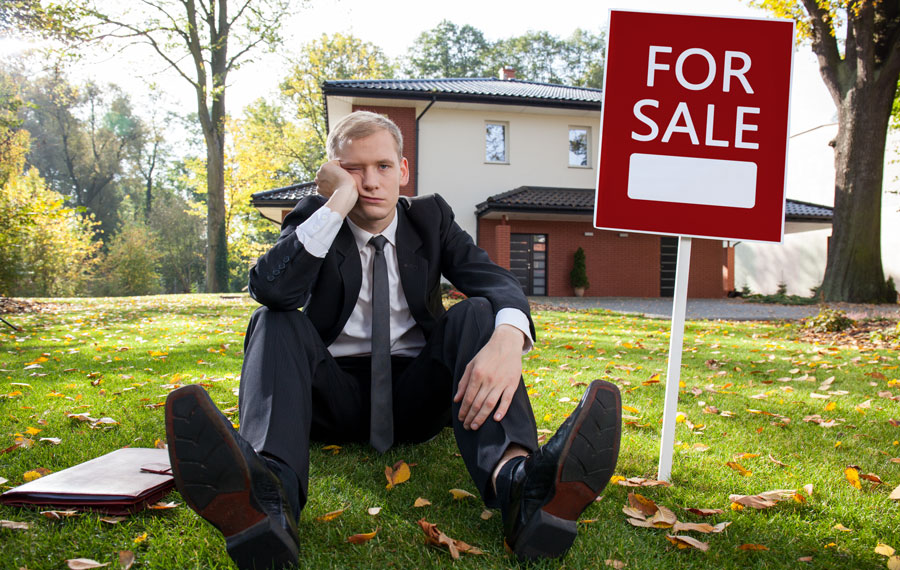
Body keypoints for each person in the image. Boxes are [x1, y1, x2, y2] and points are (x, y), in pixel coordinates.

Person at [164, 111, 622, 569]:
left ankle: (521, 487)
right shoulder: (314, 219)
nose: (370, 182)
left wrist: (508, 337)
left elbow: (494, 280)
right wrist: (335, 204)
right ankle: (270, 499)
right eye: (353, 170)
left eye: (383, 166)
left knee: (481, 312)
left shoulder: (431, 217)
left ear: (403, 171)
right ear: (332, 175)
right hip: (331, 395)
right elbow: (271, 289)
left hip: (417, 393)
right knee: (274, 320)